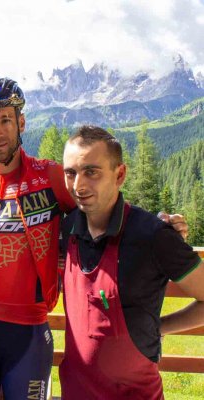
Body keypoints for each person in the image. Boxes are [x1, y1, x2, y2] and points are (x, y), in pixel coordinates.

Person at [0, 77, 76, 400]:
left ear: (21, 122)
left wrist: (155, 223)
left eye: (6, 120)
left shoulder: (50, 176)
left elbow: (99, 208)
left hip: (29, 334)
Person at [59, 125, 204, 399]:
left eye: (91, 172)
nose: (78, 185)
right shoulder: (67, 229)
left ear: (120, 174)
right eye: (71, 173)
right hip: (74, 392)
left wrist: (160, 327)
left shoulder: (153, 236)